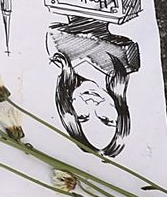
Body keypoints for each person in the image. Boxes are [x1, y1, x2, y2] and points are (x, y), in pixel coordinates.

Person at [48, 17, 139, 157]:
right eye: (106, 119)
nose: (91, 104)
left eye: (83, 117)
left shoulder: (54, 47)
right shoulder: (127, 59)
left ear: (69, 110)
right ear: (120, 113)